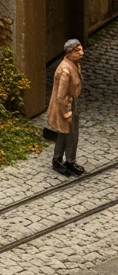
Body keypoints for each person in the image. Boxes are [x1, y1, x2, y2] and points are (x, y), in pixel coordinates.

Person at [47, 39, 85, 176]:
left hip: (72, 103)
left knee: (67, 134)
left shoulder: (75, 64)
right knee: (69, 134)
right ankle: (65, 161)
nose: (82, 53)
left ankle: (63, 160)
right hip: (64, 106)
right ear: (69, 53)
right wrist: (67, 113)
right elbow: (61, 96)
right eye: (77, 51)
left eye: (81, 49)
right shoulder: (65, 70)